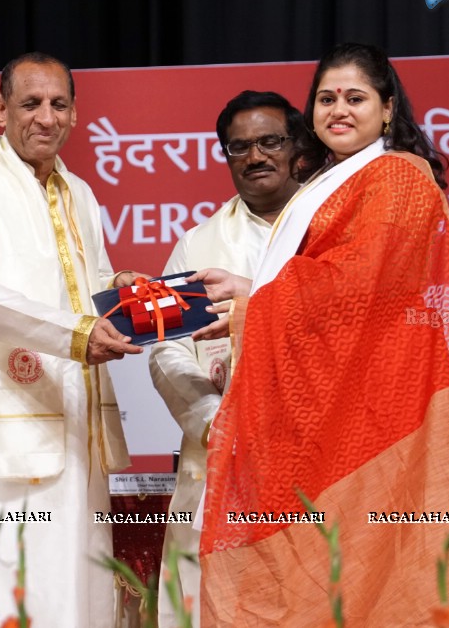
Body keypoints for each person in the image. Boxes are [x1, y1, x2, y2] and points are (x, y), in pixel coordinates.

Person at [191, 43, 449, 626]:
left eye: (355, 98)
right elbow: (331, 285)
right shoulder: (334, 181)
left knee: (359, 588)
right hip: (325, 421)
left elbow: (358, 292)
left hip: (372, 427)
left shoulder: (399, 178)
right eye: (326, 98)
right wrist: (249, 289)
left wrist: (254, 307)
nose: (338, 110)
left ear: (387, 109)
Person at [0, 52, 144, 628]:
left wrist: (119, 288)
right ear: (0, 111)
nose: (46, 117)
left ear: (74, 114)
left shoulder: (81, 194)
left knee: (77, 580)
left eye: (59, 104)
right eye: (30, 104)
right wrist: (76, 333)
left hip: (72, 418)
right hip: (0, 429)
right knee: (11, 580)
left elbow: (83, 285)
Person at [148, 90, 304, 627]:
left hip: (320, 459)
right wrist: (214, 422)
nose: (256, 156)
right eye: (239, 147)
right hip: (222, 461)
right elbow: (166, 349)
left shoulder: (331, 231)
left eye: (270, 141)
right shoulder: (198, 246)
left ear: (297, 147)